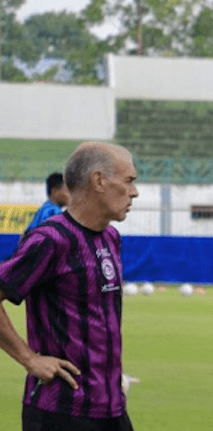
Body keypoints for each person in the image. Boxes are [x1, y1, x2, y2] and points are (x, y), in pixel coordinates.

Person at [0, 142, 138, 430]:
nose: (135, 192)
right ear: (99, 180)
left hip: (112, 408)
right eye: (129, 181)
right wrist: (29, 359)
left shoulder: (111, 237)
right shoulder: (51, 240)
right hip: (61, 412)